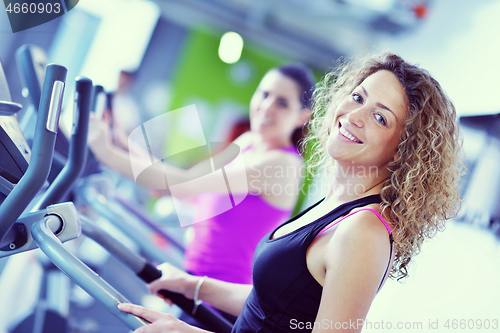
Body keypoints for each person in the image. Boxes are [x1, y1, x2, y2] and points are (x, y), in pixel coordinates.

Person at [117, 51, 464, 332]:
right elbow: (273, 306)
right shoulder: (336, 205)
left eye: (380, 117)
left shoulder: (363, 232)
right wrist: (193, 286)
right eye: (358, 97)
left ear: (403, 151)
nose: (354, 115)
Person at [87, 64, 315, 320]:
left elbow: (182, 184)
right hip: (191, 284)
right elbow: (183, 185)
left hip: (217, 302)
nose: (267, 106)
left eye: (282, 103)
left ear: (302, 116)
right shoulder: (248, 142)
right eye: (264, 94)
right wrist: (117, 140)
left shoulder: (282, 164)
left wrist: (106, 152)